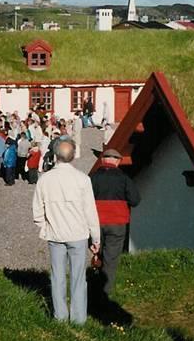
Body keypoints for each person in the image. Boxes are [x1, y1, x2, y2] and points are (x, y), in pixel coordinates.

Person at [32, 138, 100, 325]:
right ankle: (78, 319)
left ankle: (60, 317)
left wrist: (45, 228)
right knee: (78, 278)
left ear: (55, 156)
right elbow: (90, 212)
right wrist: (96, 238)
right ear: (73, 156)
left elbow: (37, 212)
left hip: (55, 234)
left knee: (57, 277)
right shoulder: (82, 179)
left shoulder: (44, 180)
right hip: (78, 234)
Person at [89, 149, 140, 299]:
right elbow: (135, 200)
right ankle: (105, 293)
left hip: (96, 222)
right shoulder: (124, 178)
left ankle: (94, 284)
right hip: (117, 222)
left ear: (103, 160)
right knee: (111, 258)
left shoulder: (93, 178)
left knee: (97, 252)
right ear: (117, 161)